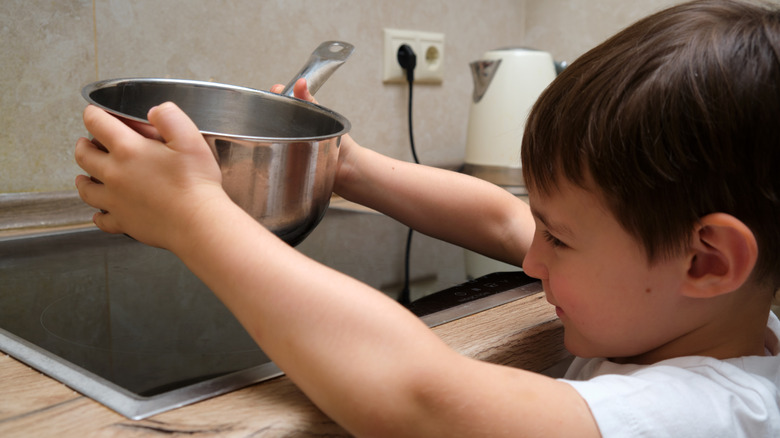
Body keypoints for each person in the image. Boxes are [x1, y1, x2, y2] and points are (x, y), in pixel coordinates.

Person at [73, 0, 780, 436]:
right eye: (544, 229)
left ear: (707, 261)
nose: (531, 262)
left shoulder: (712, 416)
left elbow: (419, 399)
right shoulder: (705, 319)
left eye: (559, 239)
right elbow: (500, 220)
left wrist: (195, 217)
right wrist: (343, 163)